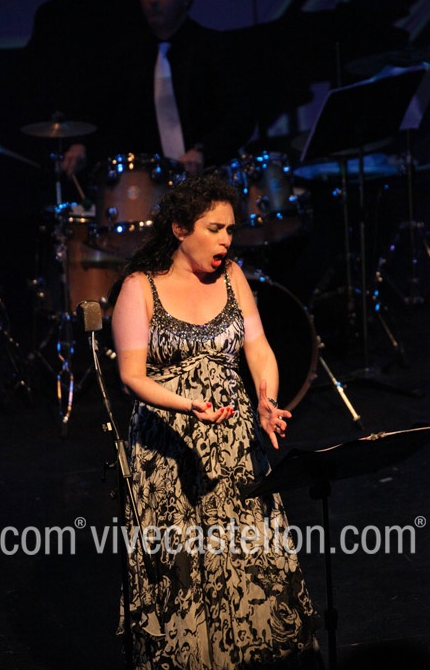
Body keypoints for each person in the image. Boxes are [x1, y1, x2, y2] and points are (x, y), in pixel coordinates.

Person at [111, 174, 322, 668]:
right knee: (185, 564)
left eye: (230, 229)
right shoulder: (140, 287)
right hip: (168, 450)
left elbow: (258, 348)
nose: (226, 239)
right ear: (181, 229)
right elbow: (131, 377)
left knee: (248, 556)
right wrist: (187, 407)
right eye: (214, 228)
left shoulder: (233, 277)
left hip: (233, 443)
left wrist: (267, 399)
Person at [58, 0, 255, 178]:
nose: (152, 0)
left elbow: (240, 118)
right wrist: (80, 144)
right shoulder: (126, 56)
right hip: (151, 182)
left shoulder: (213, 48)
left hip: (211, 176)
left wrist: (203, 150)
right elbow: (99, 109)